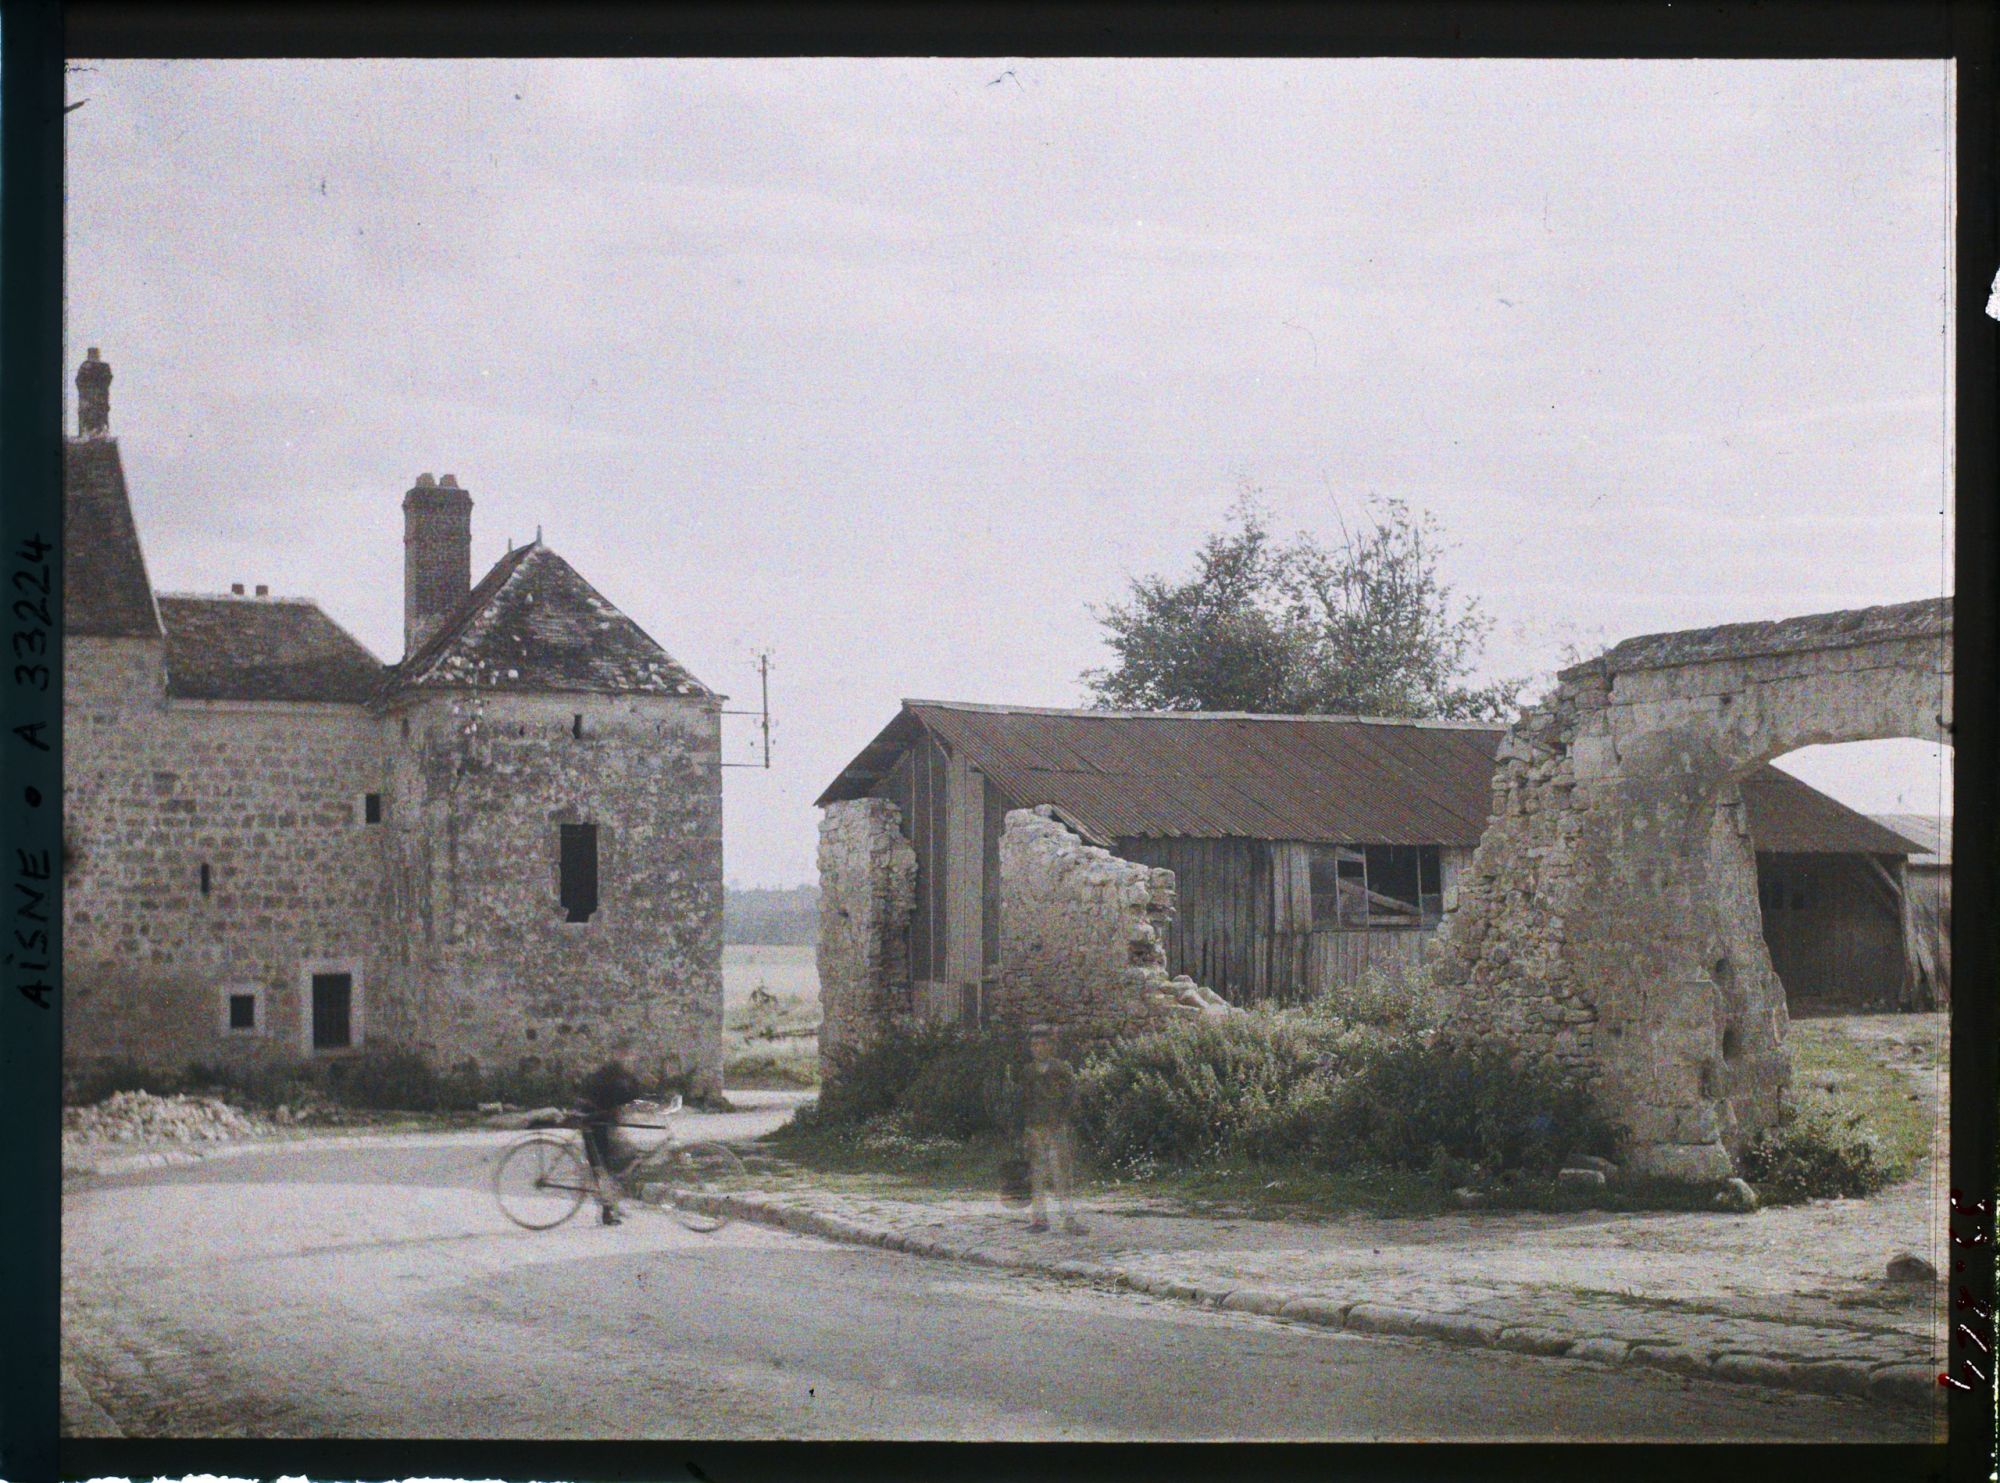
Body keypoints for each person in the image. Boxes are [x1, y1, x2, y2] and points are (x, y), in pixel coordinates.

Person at [1020, 1025, 1087, 1235]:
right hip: (1034, 1128)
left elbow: (1071, 1097)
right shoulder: (1028, 1072)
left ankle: (1069, 1219)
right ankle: (1040, 1219)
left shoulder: (1061, 1069)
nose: (1038, 1049)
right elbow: (1023, 1100)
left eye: (1043, 1044)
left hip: (1056, 1127)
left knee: (1061, 1173)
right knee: (1037, 1174)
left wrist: (1062, 1119)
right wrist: (1024, 1128)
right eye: (1034, 1045)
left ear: (1051, 1046)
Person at [577, 1056, 645, 1225]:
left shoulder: (610, 1074)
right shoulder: (614, 1076)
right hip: (597, 1122)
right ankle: (608, 1209)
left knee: (611, 1163)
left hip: (599, 1121)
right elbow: (625, 1095)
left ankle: (610, 1206)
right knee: (606, 1165)